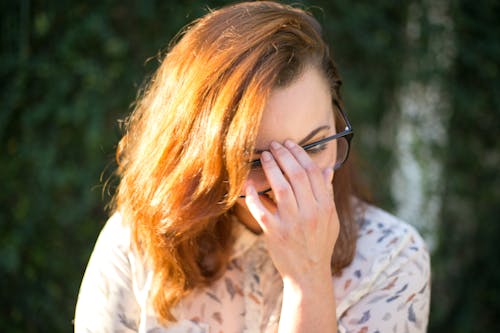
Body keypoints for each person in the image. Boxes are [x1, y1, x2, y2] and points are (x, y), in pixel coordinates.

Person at [74, 1, 430, 332]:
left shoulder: (390, 259)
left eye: (316, 145)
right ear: (198, 152)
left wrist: (308, 281)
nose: (290, 180)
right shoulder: (136, 244)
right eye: (257, 160)